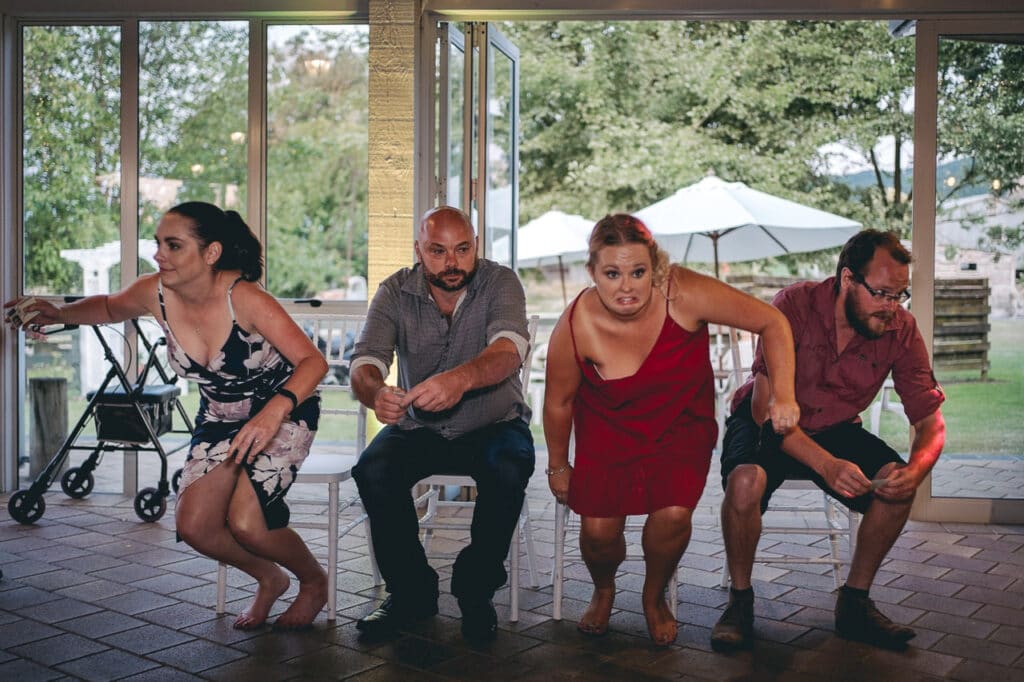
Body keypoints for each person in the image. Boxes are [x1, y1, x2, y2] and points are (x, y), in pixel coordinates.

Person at [4, 202, 330, 631]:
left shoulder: (245, 298)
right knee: (195, 526)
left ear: (211, 253)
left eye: (173, 245)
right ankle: (270, 577)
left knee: (247, 524)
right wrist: (61, 313)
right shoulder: (154, 292)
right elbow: (109, 308)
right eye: (158, 243)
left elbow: (313, 361)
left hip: (282, 411)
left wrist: (274, 411)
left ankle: (313, 581)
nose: (159, 254)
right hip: (220, 417)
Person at [543, 213, 799, 646]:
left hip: (680, 427)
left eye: (638, 272)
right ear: (592, 272)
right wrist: (557, 465)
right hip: (608, 432)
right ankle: (604, 589)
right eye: (612, 273)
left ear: (655, 267)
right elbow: (558, 402)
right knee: (599, 534)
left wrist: (784, 395)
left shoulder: (684, 292)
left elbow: (772, 322)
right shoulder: (575, 324)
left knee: (673, 516)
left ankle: (653, 594)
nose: (626, 286)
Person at [712, 229, 946, 652]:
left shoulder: (900, 329)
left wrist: (916, 471)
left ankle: (854, 604)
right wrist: (826, 465)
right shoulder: (794, 306)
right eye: (882, 294)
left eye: (900, 296)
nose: (891, 307)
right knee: (745, 483)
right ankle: (740, 602)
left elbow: (930, 422)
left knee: (896, 483)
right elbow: (765, 409)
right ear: (847, 279)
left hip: (835, 427)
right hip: (768, 421)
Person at [350, 205, 535, 643]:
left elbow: (509, 350)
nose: (452, 262)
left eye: (462, 249)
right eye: (438, 251)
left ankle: (475, 591)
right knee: (373, 471)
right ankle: (411, 592)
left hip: (494, 423)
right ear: (419, 250)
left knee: (509, 467)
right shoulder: (394, 290)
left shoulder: (500, 282)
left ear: (476, 247)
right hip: (421, 428)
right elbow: (365, 361)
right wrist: (376, 393)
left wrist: (461, 379)